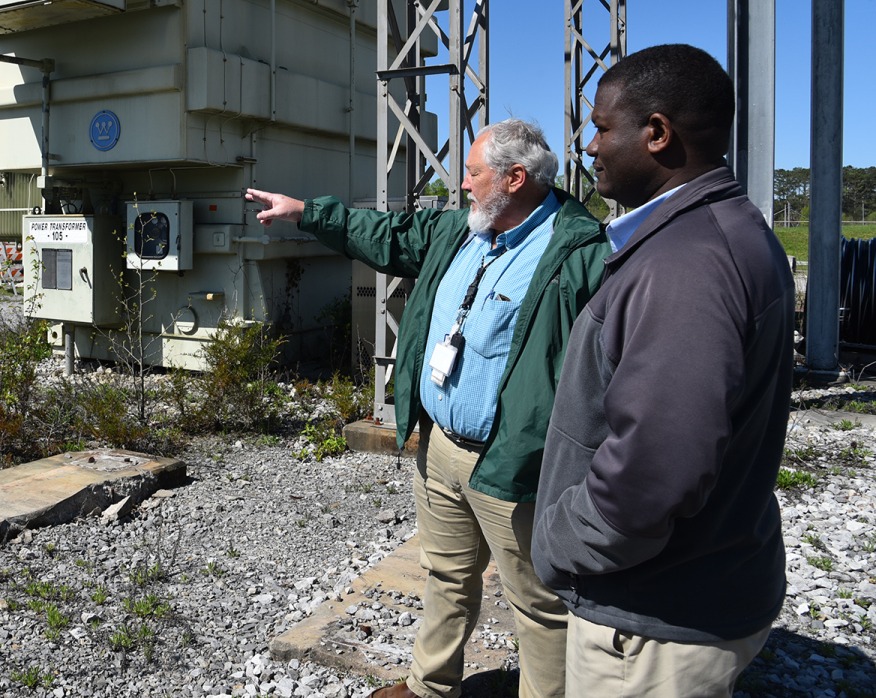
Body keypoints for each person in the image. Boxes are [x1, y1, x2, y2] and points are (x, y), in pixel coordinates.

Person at [247, 118, 610, 698]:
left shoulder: (580, 254)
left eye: (472, 172)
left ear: (515, 178)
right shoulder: (459, 231)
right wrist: (305, 212)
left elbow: (608, 371)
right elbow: (385, 234)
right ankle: (430, 687)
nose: (462, 185)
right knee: (445, 576)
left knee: (539, 604)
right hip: (438, 447)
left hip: (512, 462)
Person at [531, 44, 793, 698]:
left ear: (656, 134)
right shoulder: (715, 232)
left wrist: (559, 540)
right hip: (680, 598)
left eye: (600, 127)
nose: (588, 146)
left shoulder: (687, 265)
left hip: (652, 629)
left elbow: (652, 479)